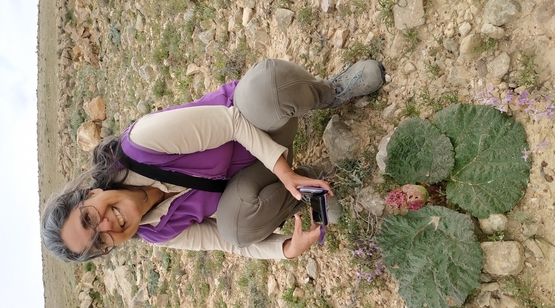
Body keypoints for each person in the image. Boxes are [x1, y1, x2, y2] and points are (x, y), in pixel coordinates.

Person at [41, 58, 385, 262]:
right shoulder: (158, 233)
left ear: (89, 195)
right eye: (99, 242)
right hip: (258, 172)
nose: (106, 226)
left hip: (259, 119)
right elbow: (225, 244)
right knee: (235, 229)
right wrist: (286, 250)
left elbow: (231, 122)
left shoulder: (141, 144)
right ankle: (307, 185)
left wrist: (281, 171)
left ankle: (330, 92)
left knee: (266, 87)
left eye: (88, 219)